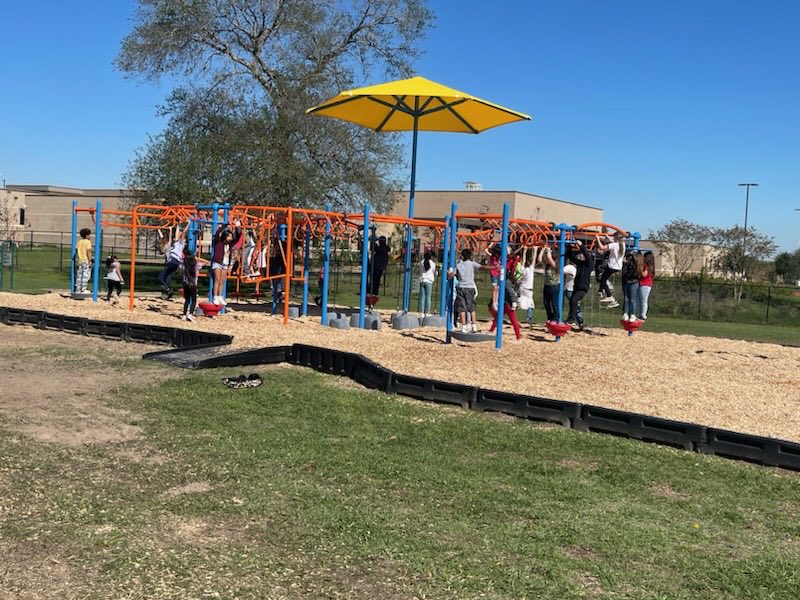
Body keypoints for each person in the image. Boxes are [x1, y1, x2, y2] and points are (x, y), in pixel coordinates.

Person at [448, 248, 492, 333]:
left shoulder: (458, 265)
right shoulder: (472, 264)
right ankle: (474, 325)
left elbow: (451, 275)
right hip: (470, 287)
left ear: (462, 256)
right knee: (471, 308)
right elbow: (483, 267)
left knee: (462, 308)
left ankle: (464, 326)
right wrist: (494, 267)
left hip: (461, 287)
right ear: (470, 256)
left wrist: (448, 273)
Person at [210, 219, 242, 305]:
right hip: (217, 262)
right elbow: (217, 234)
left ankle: (220, 296)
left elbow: (238, 237)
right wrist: (223, 226)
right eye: (229, 236)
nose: (231, 238)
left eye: (231, 237)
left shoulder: (230, 244)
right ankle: (215, 297)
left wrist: (238, 228)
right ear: (225, 236)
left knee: (222, 280)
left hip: (225, 263)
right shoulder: (219, 242)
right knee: (217, 279)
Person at [565, 240, 593, 330]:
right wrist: (568, 247)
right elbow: (571, 257)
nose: (580, 257)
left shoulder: (589, 264)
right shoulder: (580, 264)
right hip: (577, 287)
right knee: (572, 302)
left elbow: (586, 255)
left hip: (583, 288)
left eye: (581, 256)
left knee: (574, 301)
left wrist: (581, 246)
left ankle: (572, 319)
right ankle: (571, 318)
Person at [488, 276, 523, 342]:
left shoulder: (507, 282)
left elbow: (511, 293)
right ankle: (491, 331)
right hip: (505, 303)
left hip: (508, 304)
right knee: (498, 317)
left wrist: (514, 302)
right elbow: (516, 293)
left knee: (512, 320)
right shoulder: (512, 282)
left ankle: (518, 338)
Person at [157, 223, 188, 298]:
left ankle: (169, 289)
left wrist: (171, 230)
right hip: (174, 264)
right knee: (167, 279)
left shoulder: (173, 245)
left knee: (161, 277)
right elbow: (165, 237)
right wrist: (159, 230)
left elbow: (177, 235)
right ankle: (169, 291)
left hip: (172, 262)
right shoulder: (173, 245)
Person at [596, 232, 625, 308]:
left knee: (602, 280)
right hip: (618, 267)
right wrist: (607, 237)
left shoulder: (613, 245)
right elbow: (614, 243)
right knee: (603, 278)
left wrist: (597, 239)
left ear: (615, 238)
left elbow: (602, 248)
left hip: (612, 266)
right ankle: (601, 291)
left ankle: (609, 296)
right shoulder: (622, 244)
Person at [180, 247, 207, 321]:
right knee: (194, 300)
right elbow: (206, 262)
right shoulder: (196, 266)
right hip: (193, 284)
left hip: (185, 284)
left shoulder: (184, 266)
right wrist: (196, 258)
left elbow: (180, 265)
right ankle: (191, 314)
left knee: (187, 300)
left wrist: (186, 259)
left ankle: (184, 314)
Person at [518, 247, 538, 325]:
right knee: (530, 303)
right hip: (528, 289)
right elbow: (534, 259)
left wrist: (525, 251)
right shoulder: (531, 270)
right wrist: (535, 250)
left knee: (523, 301)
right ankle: (529, 317)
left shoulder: (523, 269)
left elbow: (523, 261)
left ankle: (516, 305)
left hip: (522, 288)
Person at [541, 243, 560, 322]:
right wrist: (542, 249)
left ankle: (556, 318)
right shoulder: (547, 265)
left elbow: (549, 257)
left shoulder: (555, 265)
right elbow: (540, 259)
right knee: (546, 303)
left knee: (554, 303)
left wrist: (548, 249)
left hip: (554, 286)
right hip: (547, 285)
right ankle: (550, 317)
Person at [621, 252, 641, 321]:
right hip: (627, 282)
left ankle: (633, 314)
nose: (629, 259)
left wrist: (633, 257)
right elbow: (624, 273)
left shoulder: (636, 265)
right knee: (626, 299)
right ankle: (625, 313)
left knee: (632, 299)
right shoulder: (626, 265)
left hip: (634, 282)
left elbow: (637, 271)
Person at [418, 250, 436, 315]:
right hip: (429, 281)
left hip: (422, 280)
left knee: (422, 297)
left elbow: (420, 271)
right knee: (428, 297)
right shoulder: (433, 264)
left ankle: (422, 312)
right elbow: (434, 272)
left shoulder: (421, 262)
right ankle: (427, 312)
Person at [639, 251, 655, 320]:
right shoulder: (651, 266)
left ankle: (643, 315)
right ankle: (642, 314)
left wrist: (639, 270)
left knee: (643, 300)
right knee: (643, 300)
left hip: (644, 284)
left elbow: (644, 274)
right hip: (647, 284)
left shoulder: (646, 266)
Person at [75, 228, 92, 293]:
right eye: (89, 235)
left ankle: (78, 288)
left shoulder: (79, 242)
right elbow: (88, 252)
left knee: (80, 274)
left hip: (80, 260)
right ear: (87, 235)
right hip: (85, 260)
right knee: (85, 275)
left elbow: (76, 250)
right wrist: (90, 260)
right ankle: (83, 289)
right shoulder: (88, 242)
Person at [563, 257, 578, 325]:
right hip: (569, 288)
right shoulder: (570, 267)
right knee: (573, 305)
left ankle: (573, 319)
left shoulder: (574, 268)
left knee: (573, 305)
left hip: (570, 288)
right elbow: (562, 270)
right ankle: (572, 319)